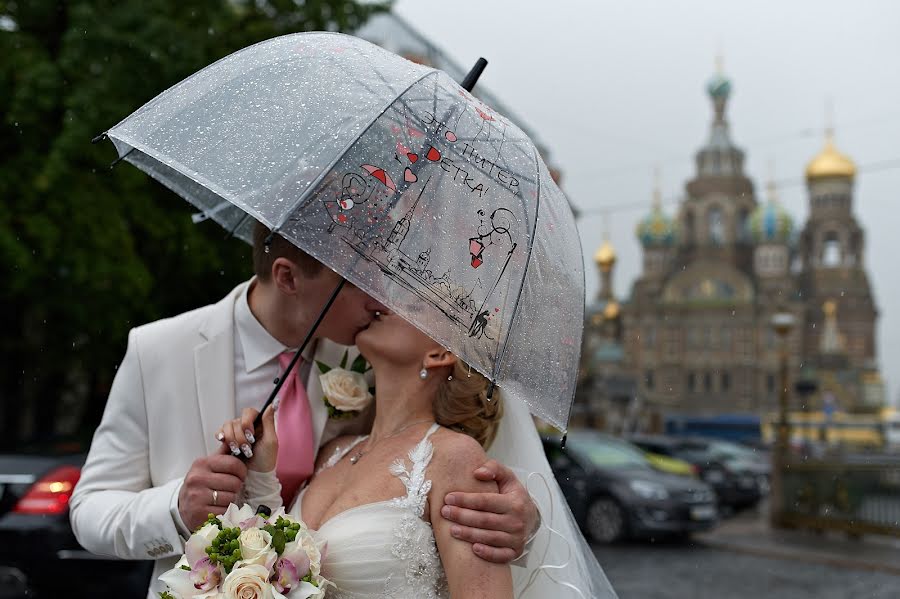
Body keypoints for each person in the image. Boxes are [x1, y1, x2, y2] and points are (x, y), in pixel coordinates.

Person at [69, 224, 538, 598]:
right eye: (358, 283)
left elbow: (453, 463)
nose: (380, 300)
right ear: (288, 278)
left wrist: (522, 518)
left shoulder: (375, 355)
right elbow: (88, 512)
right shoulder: (158, 351)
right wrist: (176, 509)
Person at [219, 308, 617, 598]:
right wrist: (261, 472)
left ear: (439, 354)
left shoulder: (455, 458)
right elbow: (279, 560)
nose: (384, 303)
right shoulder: (334, 451)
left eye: (411, 306)